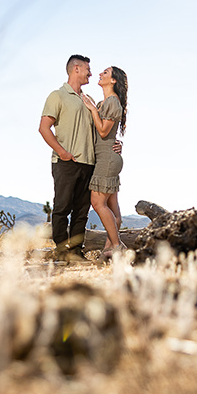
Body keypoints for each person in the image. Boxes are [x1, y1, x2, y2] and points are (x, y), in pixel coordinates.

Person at [38, 55, 120, 262]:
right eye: (87, 70)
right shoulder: (58, 96)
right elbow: (44, 128)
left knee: (81, 212)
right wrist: (62, 151)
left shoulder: (89, 101)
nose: (91, 74)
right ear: (76, 69)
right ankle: (62, 251)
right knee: (62, 208)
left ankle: (75, 252)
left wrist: (117, 143)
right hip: (65, 162)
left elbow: (103, 131)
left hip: (89, 164)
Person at [80, 66, 128, 259]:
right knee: (112, 207)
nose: (100, 74)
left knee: (97, 202)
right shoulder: (103, 102)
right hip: (106, 156)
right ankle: (108, 249)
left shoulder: (113, 103)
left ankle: (117, 246)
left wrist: (91, 108)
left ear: (114, 80)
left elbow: (102, 131)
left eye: (106, 73)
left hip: (107, 159)